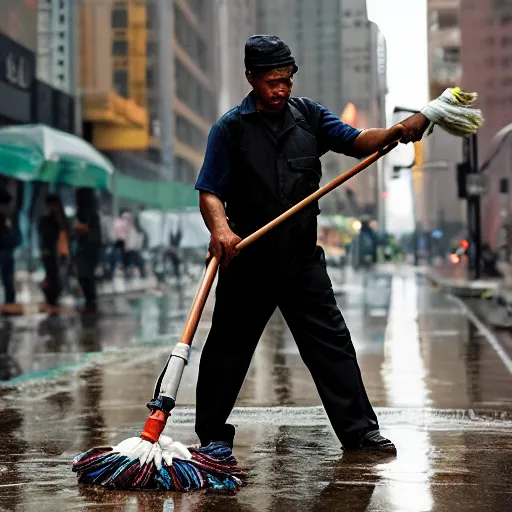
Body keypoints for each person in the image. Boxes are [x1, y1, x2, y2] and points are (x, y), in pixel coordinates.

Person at [193, 35, 429, 453]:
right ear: (251, 78)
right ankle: (213, 438)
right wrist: (222, 231)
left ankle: (359, 432)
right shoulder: (230, 129)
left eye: (286, 79)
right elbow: (210, 190)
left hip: (301, 261)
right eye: (271, 81)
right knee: (227, 353)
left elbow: (357, 142)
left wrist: (393, 132)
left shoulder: (308, 117)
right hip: (248, 259)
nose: (281, 88)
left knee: (331, 345)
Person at [38, 193, 70, 308]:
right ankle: (51, 298)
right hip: (49, 251)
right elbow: (44, 235)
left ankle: (53, 298)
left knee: (57, 276)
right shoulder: (45, 220)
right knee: (52, 276)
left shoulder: (61, 219)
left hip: (61, 252)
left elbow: (66, 230)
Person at [74, 188, 102, 314]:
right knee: (85, 276)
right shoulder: (88, 211)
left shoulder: (88, 212)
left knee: (86, 276)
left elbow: (88, 228)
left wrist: (77, 228)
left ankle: (91, 304)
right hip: (88, 248)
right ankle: (90, 303)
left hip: (88, 248)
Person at [0, 188, 20, 307]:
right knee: (7, 277)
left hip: (6, 250)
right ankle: (10, 302)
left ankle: (10, 302)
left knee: (8, 278)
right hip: (5, 250)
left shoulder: (7, 217)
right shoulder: (5, 218)